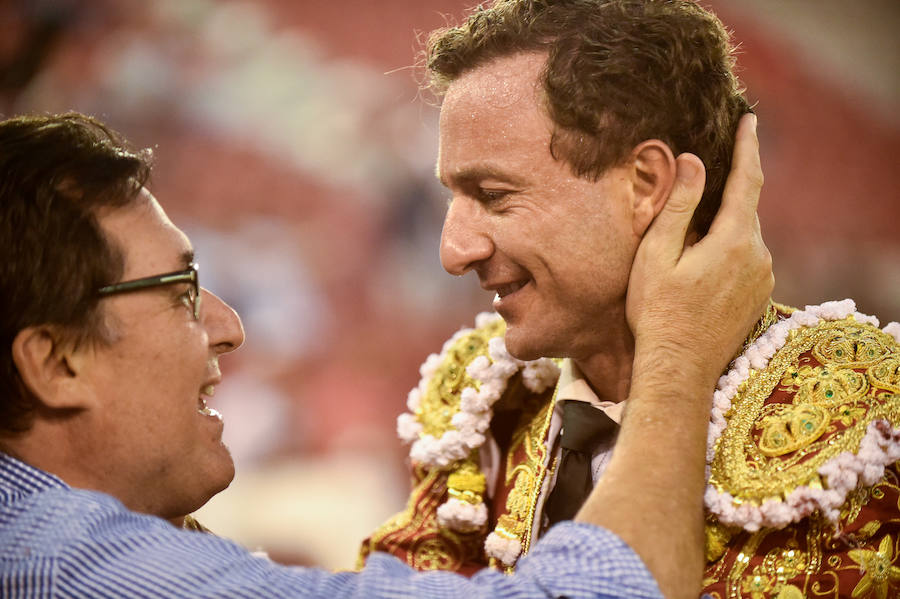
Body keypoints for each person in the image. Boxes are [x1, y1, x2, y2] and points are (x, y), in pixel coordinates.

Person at [0, 109, 768, 598]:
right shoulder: (69, 562)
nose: (229, 326)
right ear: (56, 362)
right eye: (179, 290)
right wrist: (677, 353)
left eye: (497, 196)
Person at [359, 1, 900, 598]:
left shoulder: (868, 417)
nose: (453, 252)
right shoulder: (483, 408)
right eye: (454, 198)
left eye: (494, 194)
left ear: (645, 185)